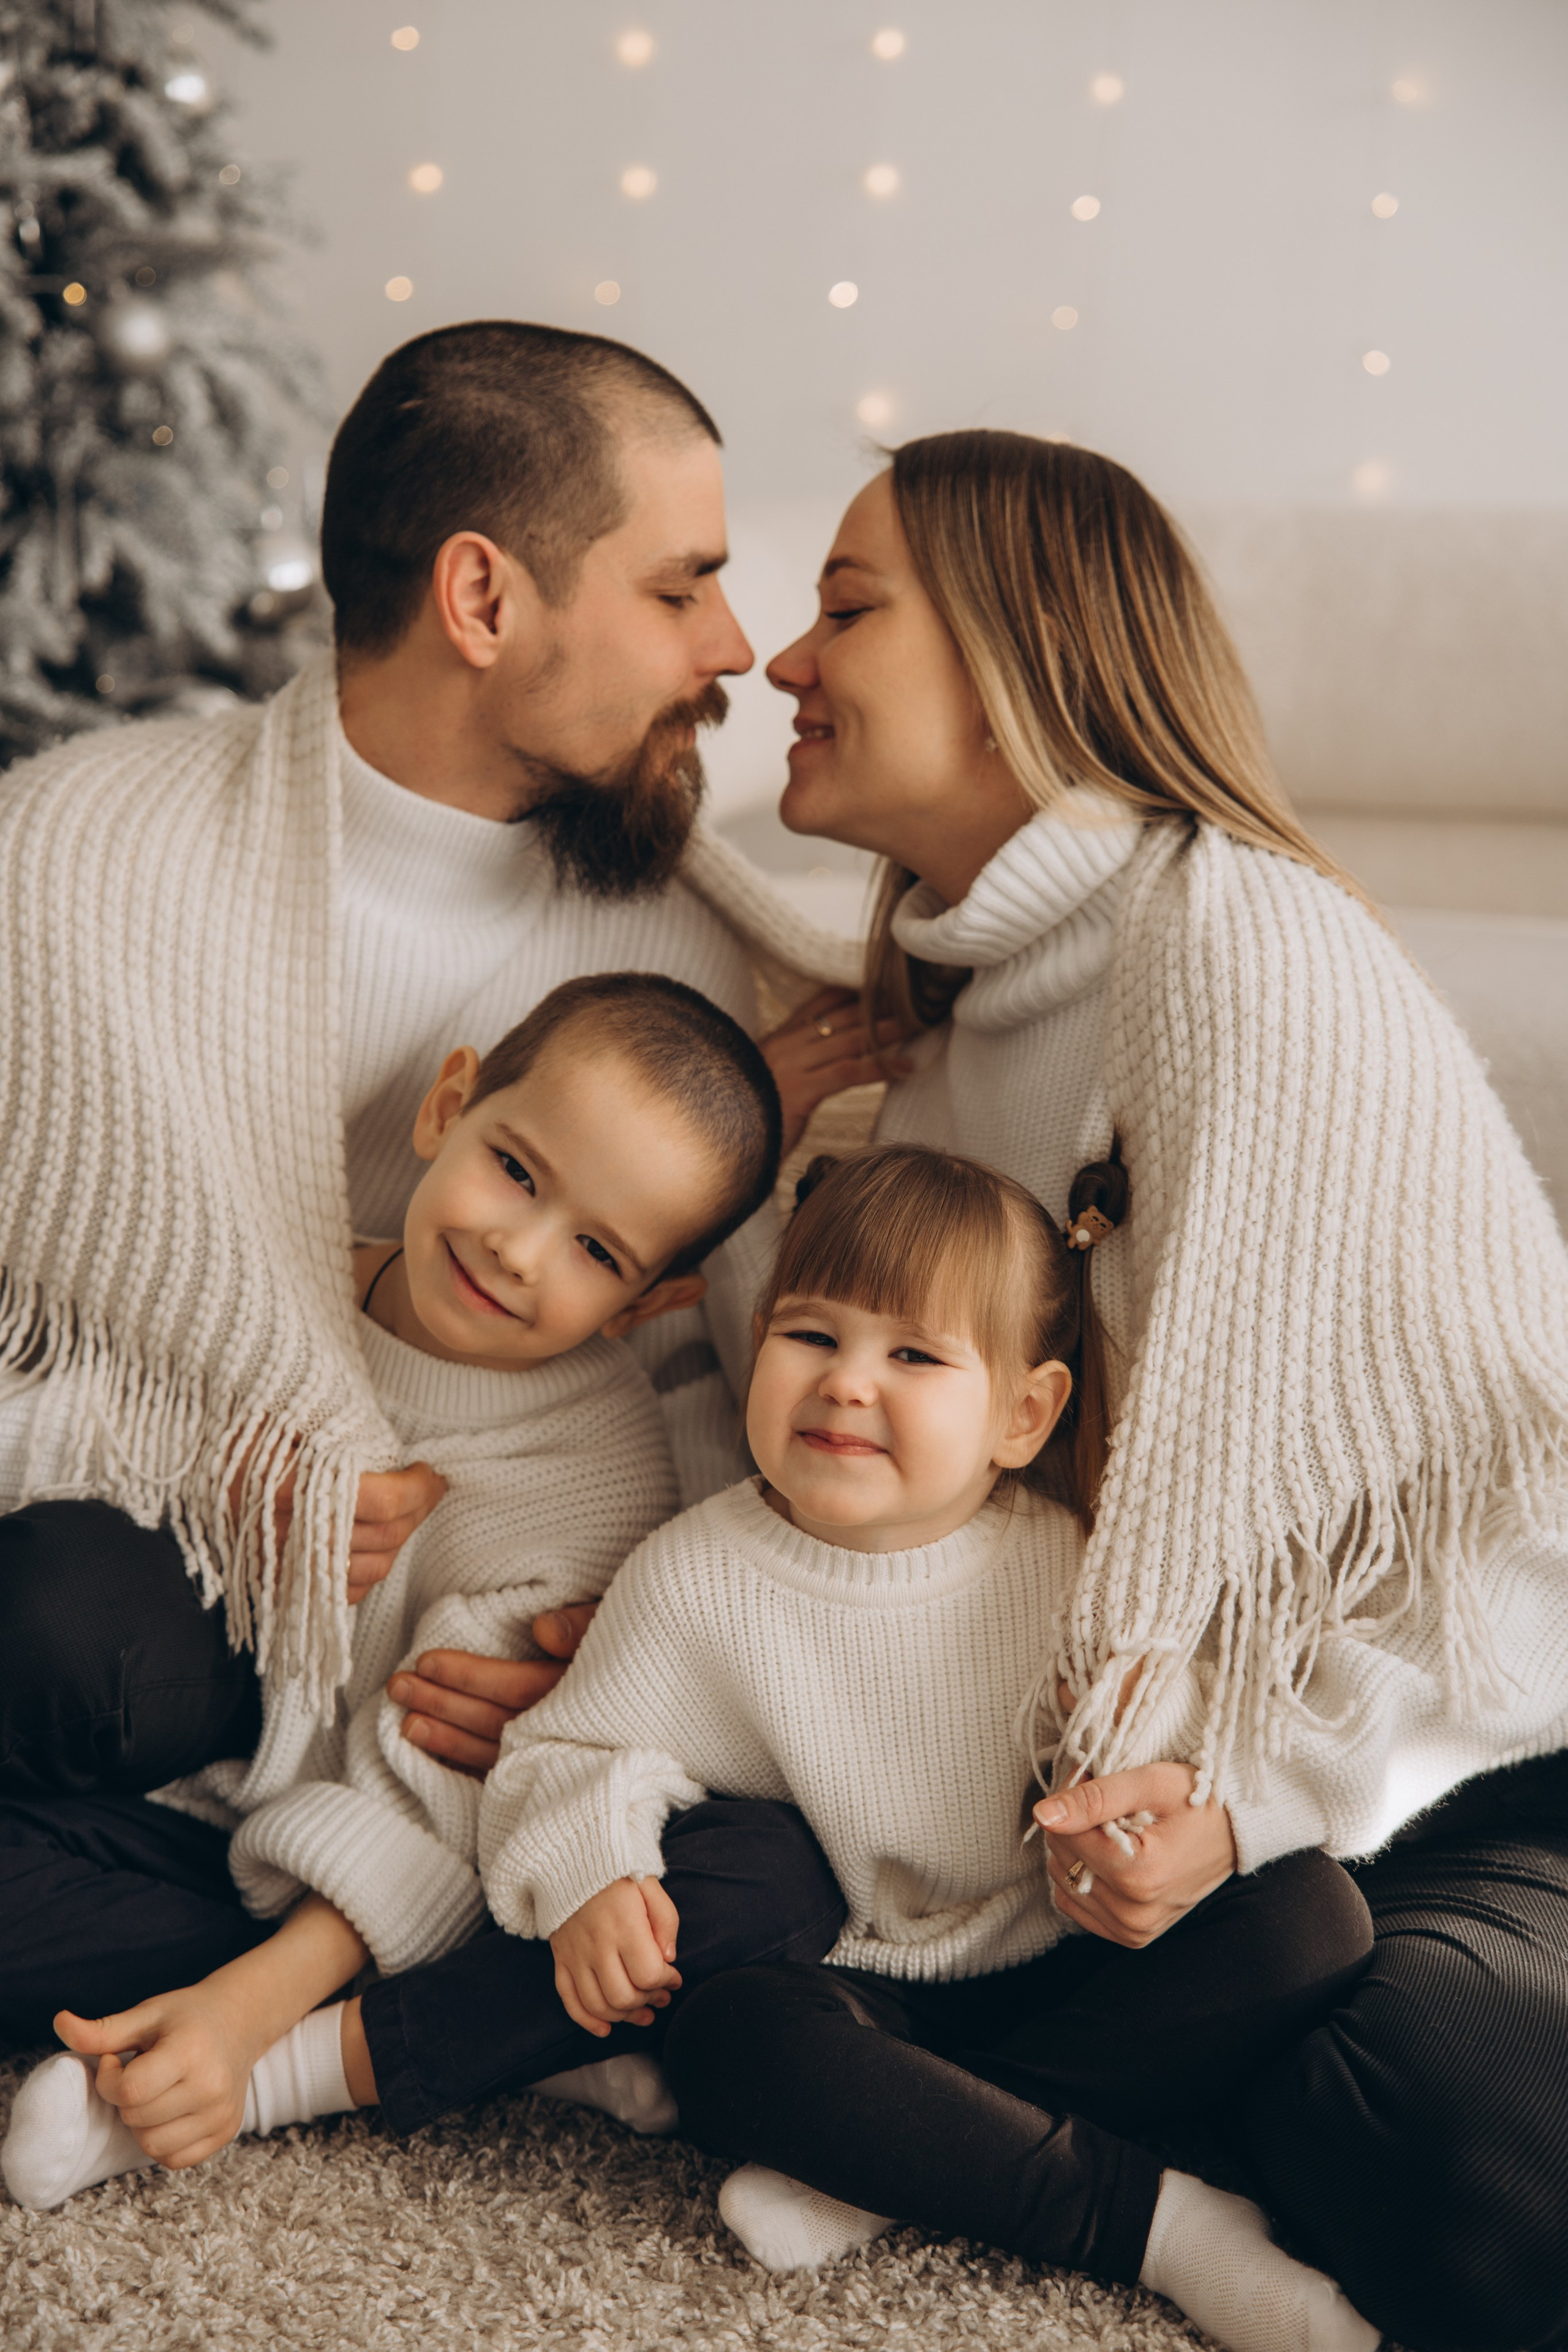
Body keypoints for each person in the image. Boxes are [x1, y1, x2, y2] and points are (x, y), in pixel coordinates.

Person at [691, 430, 1568, 2352]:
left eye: (846, 609)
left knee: (1428, 2147)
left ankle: (964, 2124)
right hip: (1132, 1822)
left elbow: (1529, 1513)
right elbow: (826, 1460)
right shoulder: (911, 1054)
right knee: (699, 1942)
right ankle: (1030, 2120)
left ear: (1022, 651)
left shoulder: (1245, 955)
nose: (779, 665)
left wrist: (1254, 1798)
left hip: (1459, 1751)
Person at [0, 320, 867, 1811]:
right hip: (152, 1600)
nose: (733, 646)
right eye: (680, 588)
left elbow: (692, 1375)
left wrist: (612, 1637)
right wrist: (197, 1472)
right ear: (480, 597)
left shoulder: (674, 955)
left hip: (455, 1652)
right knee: (75, 1629)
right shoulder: (73, 860)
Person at [470, 1143, 1371, 2352]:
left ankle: (898, 2167)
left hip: (1066, 1961)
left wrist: (1131, 1749)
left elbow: (1209, 1747)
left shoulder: (1067, 1565)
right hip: (859, 1990)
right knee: (732, 2044)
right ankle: (1158, 2225)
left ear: (1021, 1414)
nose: (846, 1385)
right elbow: (561, 1752)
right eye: (809, 1336)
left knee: (1312, 1918)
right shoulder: (693, 1574)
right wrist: (596, 1863)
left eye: (910, 1355)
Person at [0, 973, 850, 2207]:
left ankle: (329, 2018)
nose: (518, 1249)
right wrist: (219, 1487)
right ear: (447, 1103)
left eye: (596, 1250)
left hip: (321, 1866)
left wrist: (247, 2012)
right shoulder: (254, 1280)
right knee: (53, 1608)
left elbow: (442, 1794)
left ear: (649, 1301)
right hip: (154, 1745)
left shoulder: (589, 1468)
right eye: (516, 1170)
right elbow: (52, 1420)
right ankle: (483, 2043)